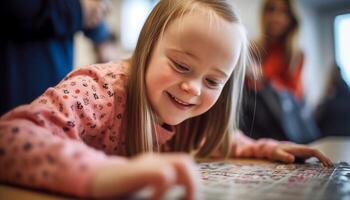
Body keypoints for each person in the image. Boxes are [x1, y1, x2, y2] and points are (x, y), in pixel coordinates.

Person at [0, 0, 332, 199]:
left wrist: (267, 148)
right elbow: (9, 138)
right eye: (181, 66)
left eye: (213, 80)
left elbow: (218, 140)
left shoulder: (192, 111)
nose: (194, 89)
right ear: (147, 48)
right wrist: (102, 175)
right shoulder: (99, 90)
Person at [0, 0, 115, 115]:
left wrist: (101, 36)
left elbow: (88, 9)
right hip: (17, 90)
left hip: (55, 93)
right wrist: (77, 9)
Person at [240, 0, 320, 143]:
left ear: (291, 19)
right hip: (254, 125)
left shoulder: (296, 54)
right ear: (264, 14)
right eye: (271, 10)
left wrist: (263, 78)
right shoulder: (252, 48)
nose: (277, 17)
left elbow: (294, 95)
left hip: (282, 129)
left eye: (284, 12)